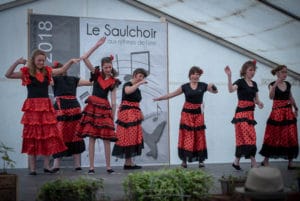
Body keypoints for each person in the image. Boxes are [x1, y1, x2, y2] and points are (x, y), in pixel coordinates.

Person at [4, 49, 77, 175]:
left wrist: (70, 61)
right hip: (32, 107)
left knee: (47, 136)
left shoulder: (47, 71)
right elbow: (8, 74)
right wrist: (17, 62)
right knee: (32, 136)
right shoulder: (26, 72)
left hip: (45, 106)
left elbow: (61, 70)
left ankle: (46, 166)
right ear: (33, 60)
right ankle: (32, 169)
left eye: (43, 60)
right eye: (39, 60)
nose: (41, 62)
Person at [153, 66, 218, 168]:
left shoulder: (203, 85)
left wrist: (213, 86)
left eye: (197, 74)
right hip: (187, 114)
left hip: (198, 115)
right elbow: (172, 94)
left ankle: (201, 160)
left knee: (199, 135)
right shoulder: (185, 87)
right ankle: (184, 160)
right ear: (189, 75)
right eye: (193, 74)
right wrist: (160, 98)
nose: (195, 76)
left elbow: (215, 91)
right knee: (187, 135)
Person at [77, 37, 121, 174]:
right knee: (92, 137)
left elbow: (114, 101)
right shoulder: (96, 75)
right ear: (102, 67)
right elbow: (84, 58)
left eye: (110, 67)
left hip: (104, 109)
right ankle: (91, 167)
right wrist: (97, 45)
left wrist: (112, 116)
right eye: (105, 67)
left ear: (112, 67)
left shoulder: (114, 82)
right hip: (92, 107)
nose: (108, 69)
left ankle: (108, 166)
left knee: (107, 138)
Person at [50, 60, 92, 173]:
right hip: (67, 109)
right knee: (71, 135)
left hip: (67, 109)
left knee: (64, 135)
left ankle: (59, 165)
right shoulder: (57, 79)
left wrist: (95, 74)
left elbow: (90, 82)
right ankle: (72, 165)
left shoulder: (66, 79)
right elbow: (90, 82)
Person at [224, 60, 264, 170]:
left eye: (254, 70)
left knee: (243, 139)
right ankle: (253, 163)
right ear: (245, 71)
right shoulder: (240, 82)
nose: (252, 72)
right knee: (249, 138)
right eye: (250, 70)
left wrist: (259, 103)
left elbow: (256, 99)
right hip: (241, 115)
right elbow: (231, 90)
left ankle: (236, 162)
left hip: (250, 114)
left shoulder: (254, 84)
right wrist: (229, 76)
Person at [259, 65, 298, 170]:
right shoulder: (272, 84)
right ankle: (265, 160)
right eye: (283, 72)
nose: (285, 74)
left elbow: (290, 97)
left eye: (286, 72)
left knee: (291, 136)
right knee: (273, 136)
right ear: (277, 73)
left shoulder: (288, 84)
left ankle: (290, 163)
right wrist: (276, 82)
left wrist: (296, 108)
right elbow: (271, 97)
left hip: (288, 113)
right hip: (277, 114)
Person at [112, 68, 148, 169]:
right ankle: (128, 163)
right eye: (140, 76)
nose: (141, 78)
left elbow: (136, 103)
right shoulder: (128, 84)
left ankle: (129, 163)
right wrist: (139, 83)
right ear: (135, 75)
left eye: (143, 77)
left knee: (132, 137)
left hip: (134, 113)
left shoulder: (137, 88)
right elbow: (127, 92)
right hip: (127, 114)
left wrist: (141, 113)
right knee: (128, 137)